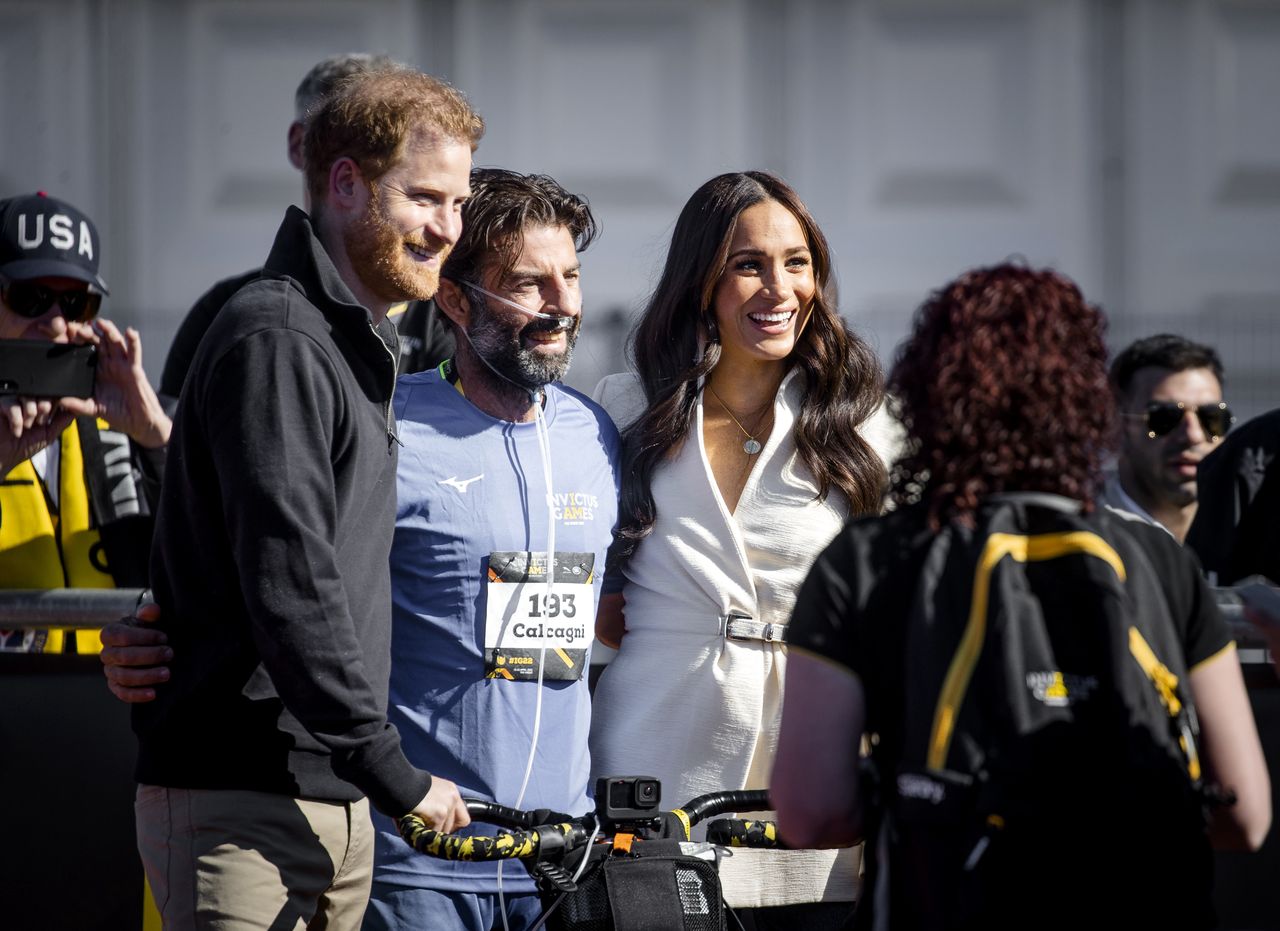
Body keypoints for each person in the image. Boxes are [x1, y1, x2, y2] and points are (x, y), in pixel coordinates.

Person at [774, 264, 1270, 928]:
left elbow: (811, 810)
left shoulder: (865, 561)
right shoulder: (1158, 561)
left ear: (929, 395)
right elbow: (1244, 814)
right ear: (1085, 402)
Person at [129, 70, 482, 930]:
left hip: (333, 801)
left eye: (460, 202)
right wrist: (393, 771)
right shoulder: (277, 336)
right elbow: (290, 577)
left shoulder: (352, 339)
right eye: (425, 197)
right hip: (241, 801)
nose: (448, 228)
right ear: (346, 183)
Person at [589, 171, 898, 928]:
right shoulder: (625, 404)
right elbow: (599, 592)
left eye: (797, 263)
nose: (779, 287)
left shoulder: (867, 424)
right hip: (654, 756)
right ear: (702, 281)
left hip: (811, 766)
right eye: (748, 264)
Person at [364, 167, 618, 931]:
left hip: (561, 863)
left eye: (570, 276)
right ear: (453, 297)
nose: (565, 304)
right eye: (531, 283)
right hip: (422, 866)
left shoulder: (593, 432)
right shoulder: (390, 425)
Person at [158, 52, 454, 407]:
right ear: (301, 144)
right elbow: (183, 454)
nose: (447, 228)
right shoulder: (244, 313)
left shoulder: (450, 315)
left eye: (389, 139)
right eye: (350, 137)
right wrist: (154, 434)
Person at [0, 191, 171, 653]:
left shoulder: (124, 427)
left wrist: (157, 439)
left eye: (75, 303)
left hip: (109, 709)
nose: (55, 323)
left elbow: (224, 559)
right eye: (30, 298)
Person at [1100, 333, 1233, 542]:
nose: (1193, 435)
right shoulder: (1082, 537)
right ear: (1116, 425)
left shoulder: (1253, 535)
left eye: (1211, 417)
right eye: (1165, 417)